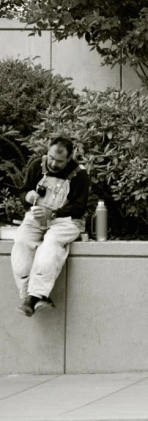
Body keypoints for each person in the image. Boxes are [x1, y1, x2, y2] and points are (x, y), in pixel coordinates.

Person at [12, 135, 89, 316]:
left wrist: (53, 213)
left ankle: (34, 297)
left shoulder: (80, 174)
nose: (54, 164)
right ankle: (29, 295)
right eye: (52, 158)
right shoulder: (37, 165)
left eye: (60, 161)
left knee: (50, 243)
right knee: (22, 241)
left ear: (69, 158)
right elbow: (23, 192)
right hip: (37, 217)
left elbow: (79, 208)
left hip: (66, 221)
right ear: (48, 152)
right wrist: (28, 196)